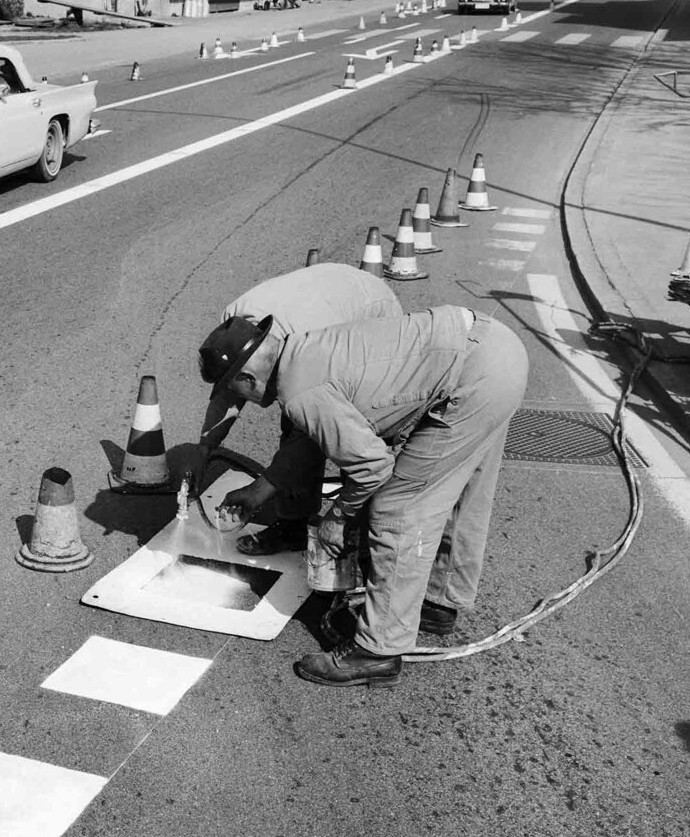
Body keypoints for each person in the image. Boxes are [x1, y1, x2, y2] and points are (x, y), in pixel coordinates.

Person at [204, 305, 528, 688]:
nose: (234, 398)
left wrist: (338, 518)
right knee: (455, 488)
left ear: (245, 377)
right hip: (498, 354)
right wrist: (260, 491)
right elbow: (316, 439)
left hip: (473, 377)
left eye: (230, 389)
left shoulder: (299, 392)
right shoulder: (302, 353)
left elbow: (373, 466)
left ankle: (377, 651)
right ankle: (439, 601)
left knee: (399, 507)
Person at [190, 263, 401, 557]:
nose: (245, 402)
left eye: (243, 389)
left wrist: (259, 491)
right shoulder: (236, 330)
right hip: (333, 290)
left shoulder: (304, 358)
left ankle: (359, 535)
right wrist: (204, 450)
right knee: (301, 417)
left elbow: (309, 430)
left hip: (370, 310)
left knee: (346, 428)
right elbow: (228, 393)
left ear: (249, 377)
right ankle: (294, 527)